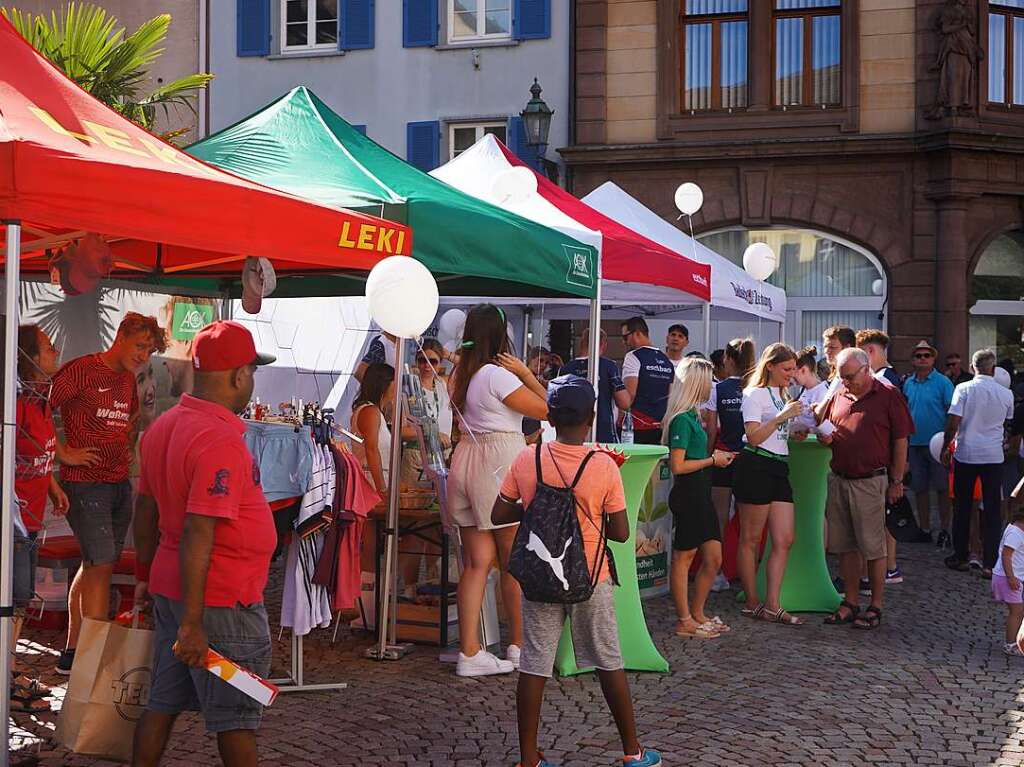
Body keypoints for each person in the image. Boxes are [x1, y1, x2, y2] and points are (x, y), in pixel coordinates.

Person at [491, 375, 662, 767]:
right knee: (608, 659)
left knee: (534, 665)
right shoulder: (602, 465)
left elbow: (499, 513)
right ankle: (632, 752)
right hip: (590, 577)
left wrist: (535, 510)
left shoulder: (527, 458)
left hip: (539, 579)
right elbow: (620, 533)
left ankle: (528, 759)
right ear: (591, 417)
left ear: (549, 415)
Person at [131, 320, 276, 767]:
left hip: (178, 592)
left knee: (163, 702)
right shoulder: (218, 438)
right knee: (236, 718)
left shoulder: (165, 425)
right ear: (238, 376)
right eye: (251, 371)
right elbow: (199, 529)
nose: (251, 380)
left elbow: (146, 512)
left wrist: (145, 577)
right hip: (218, 603)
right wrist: (194, 623)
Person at [50, 312, 166, 675]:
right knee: (100, 564)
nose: (144, 355)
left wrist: (128, 446)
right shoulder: (80, 370)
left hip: (117, 482)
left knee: (96, 564)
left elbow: (129, 420)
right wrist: (63, 452)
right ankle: (93, 658)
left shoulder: (127, 380)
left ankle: (73, 650)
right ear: (121, 336)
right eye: (140, 346)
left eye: (149, 350)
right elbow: (37, 408)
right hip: (85, 483)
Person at [447, 304, 548, 677]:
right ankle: (519, 645)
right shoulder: (496, 375)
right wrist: (525, 373)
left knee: (476, 564)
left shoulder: (461, 372)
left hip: (466, 459)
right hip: (498, 462)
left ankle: (470, 651)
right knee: (513, 560)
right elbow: (548, 408)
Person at [819, 348, 913, 631]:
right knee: (844, 545)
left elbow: (900, 441)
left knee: (873, 546)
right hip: (840, 477)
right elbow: (826, 424)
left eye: (849, 377)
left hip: (871, 481)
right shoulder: (839, 394)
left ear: (866, 369)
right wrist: (826, 437)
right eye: (841, 377)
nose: (846, 382)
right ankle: (850, 601)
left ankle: (876, 605)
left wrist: (897, 482)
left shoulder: (888, 394)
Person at [11, 325, 69, 713]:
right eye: (47, 348)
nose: (54, 354)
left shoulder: (40, 400)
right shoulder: (13, 405)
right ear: (28, 357)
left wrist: (52, 489)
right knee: (13, 599)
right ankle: (8, 674)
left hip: (33, 517)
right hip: (12, 518)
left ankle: (9, 670)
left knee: (19, 599)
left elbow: (39, 453)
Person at [733, 343, 805, 626]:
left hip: (778, 466)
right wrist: (782, 418)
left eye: (793, 369)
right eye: (787, 369)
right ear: (771, 366)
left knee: (785, 538)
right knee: (751, 539)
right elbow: (753, 436)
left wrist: (794, 430)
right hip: (755, 464)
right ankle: (753, 602)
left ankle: (773, 604)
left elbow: (777, 431)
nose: (791, 374)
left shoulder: (781, 394)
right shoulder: (754, 393)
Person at [664, 358, 735, 639]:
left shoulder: (694, 415)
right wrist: (711, 460)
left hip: (701, 491)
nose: (712, 385)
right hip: (690, 493)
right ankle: (685, 619)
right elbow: (678, 466)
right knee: (684, 557)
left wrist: (713, 460)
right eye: (708, 380)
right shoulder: (682, 419)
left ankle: (697, 613)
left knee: (713, 557)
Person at [942, 349, 1015, 576]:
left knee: (962, 507)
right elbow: (1007, 424)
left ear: (973, 367)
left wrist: (946, 445)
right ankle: (990, 563)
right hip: (993, 456)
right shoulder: (1006, 394)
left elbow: (954, 422)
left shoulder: (963, 389)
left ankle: (961, 556)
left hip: (967, 453)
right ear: (993, 369)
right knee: (993, 509)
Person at [856, 329, 910, 579]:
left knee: (881, 518)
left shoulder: (885, 381)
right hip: (887, 459)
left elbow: (898, 432)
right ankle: (889, 567)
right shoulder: (889, 377)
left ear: (869, 352)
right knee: (883, 516)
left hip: (884, 460)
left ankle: (886, 568)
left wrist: (897, 474)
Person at [704, 338, 756, 585]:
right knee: (748, 523)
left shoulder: (718, 389)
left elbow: (712, 429)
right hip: (749, 457)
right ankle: (749, 575)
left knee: (719, 517)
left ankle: (718, 573)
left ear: (729, 359)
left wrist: (707, 456)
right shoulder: (756, 388)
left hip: (723, 457)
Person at [902, 339, 954, 545]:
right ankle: (924, 529)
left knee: (942, 489)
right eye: (918, 355)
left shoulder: (943, 382)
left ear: (933, 358)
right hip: (914, 444)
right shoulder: (908, 383)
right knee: (919, 489)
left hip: (939, 444)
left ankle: (944, 530)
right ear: (913, 360)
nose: (922, 358)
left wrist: (948, 442)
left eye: (926, 355)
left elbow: (952, 413)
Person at [559, 329, 630, 444]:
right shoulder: (609, 366)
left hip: (571, 433)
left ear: (582, 343)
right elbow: (624, 403)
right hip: (604, 432)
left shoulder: (565, 369)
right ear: (603, 344)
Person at [620, 317, 675, 445]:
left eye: (625, 337)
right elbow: (671, 396)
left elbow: (629, 396)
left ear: (637, 333)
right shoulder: (666, 360)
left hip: (637, 426)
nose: (624, 342)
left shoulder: (633, 356)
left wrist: (620, 418)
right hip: (660, 426)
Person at [351, 363, 397, 498]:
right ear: (384, 385)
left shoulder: (373, 411)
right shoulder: (370, 411)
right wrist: (381, 488)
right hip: (371, 482)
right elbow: (371, 450)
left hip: (376, 479)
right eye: (395, 383)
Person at [992, 510, 1024, 657]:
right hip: (1008, 578)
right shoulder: (1016, 534)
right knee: (1016, 612)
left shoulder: (1014, 529)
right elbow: (1006, 555)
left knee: (1018, 612)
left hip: (1011, 577)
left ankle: (1015, 641)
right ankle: (1011, 644)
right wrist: (1011, 577)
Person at [822, 325, 856, 396]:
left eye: (832, 347)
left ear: (847, 348)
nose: (827, 351)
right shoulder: (835, 373)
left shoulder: (852, 375)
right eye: (825, 347)